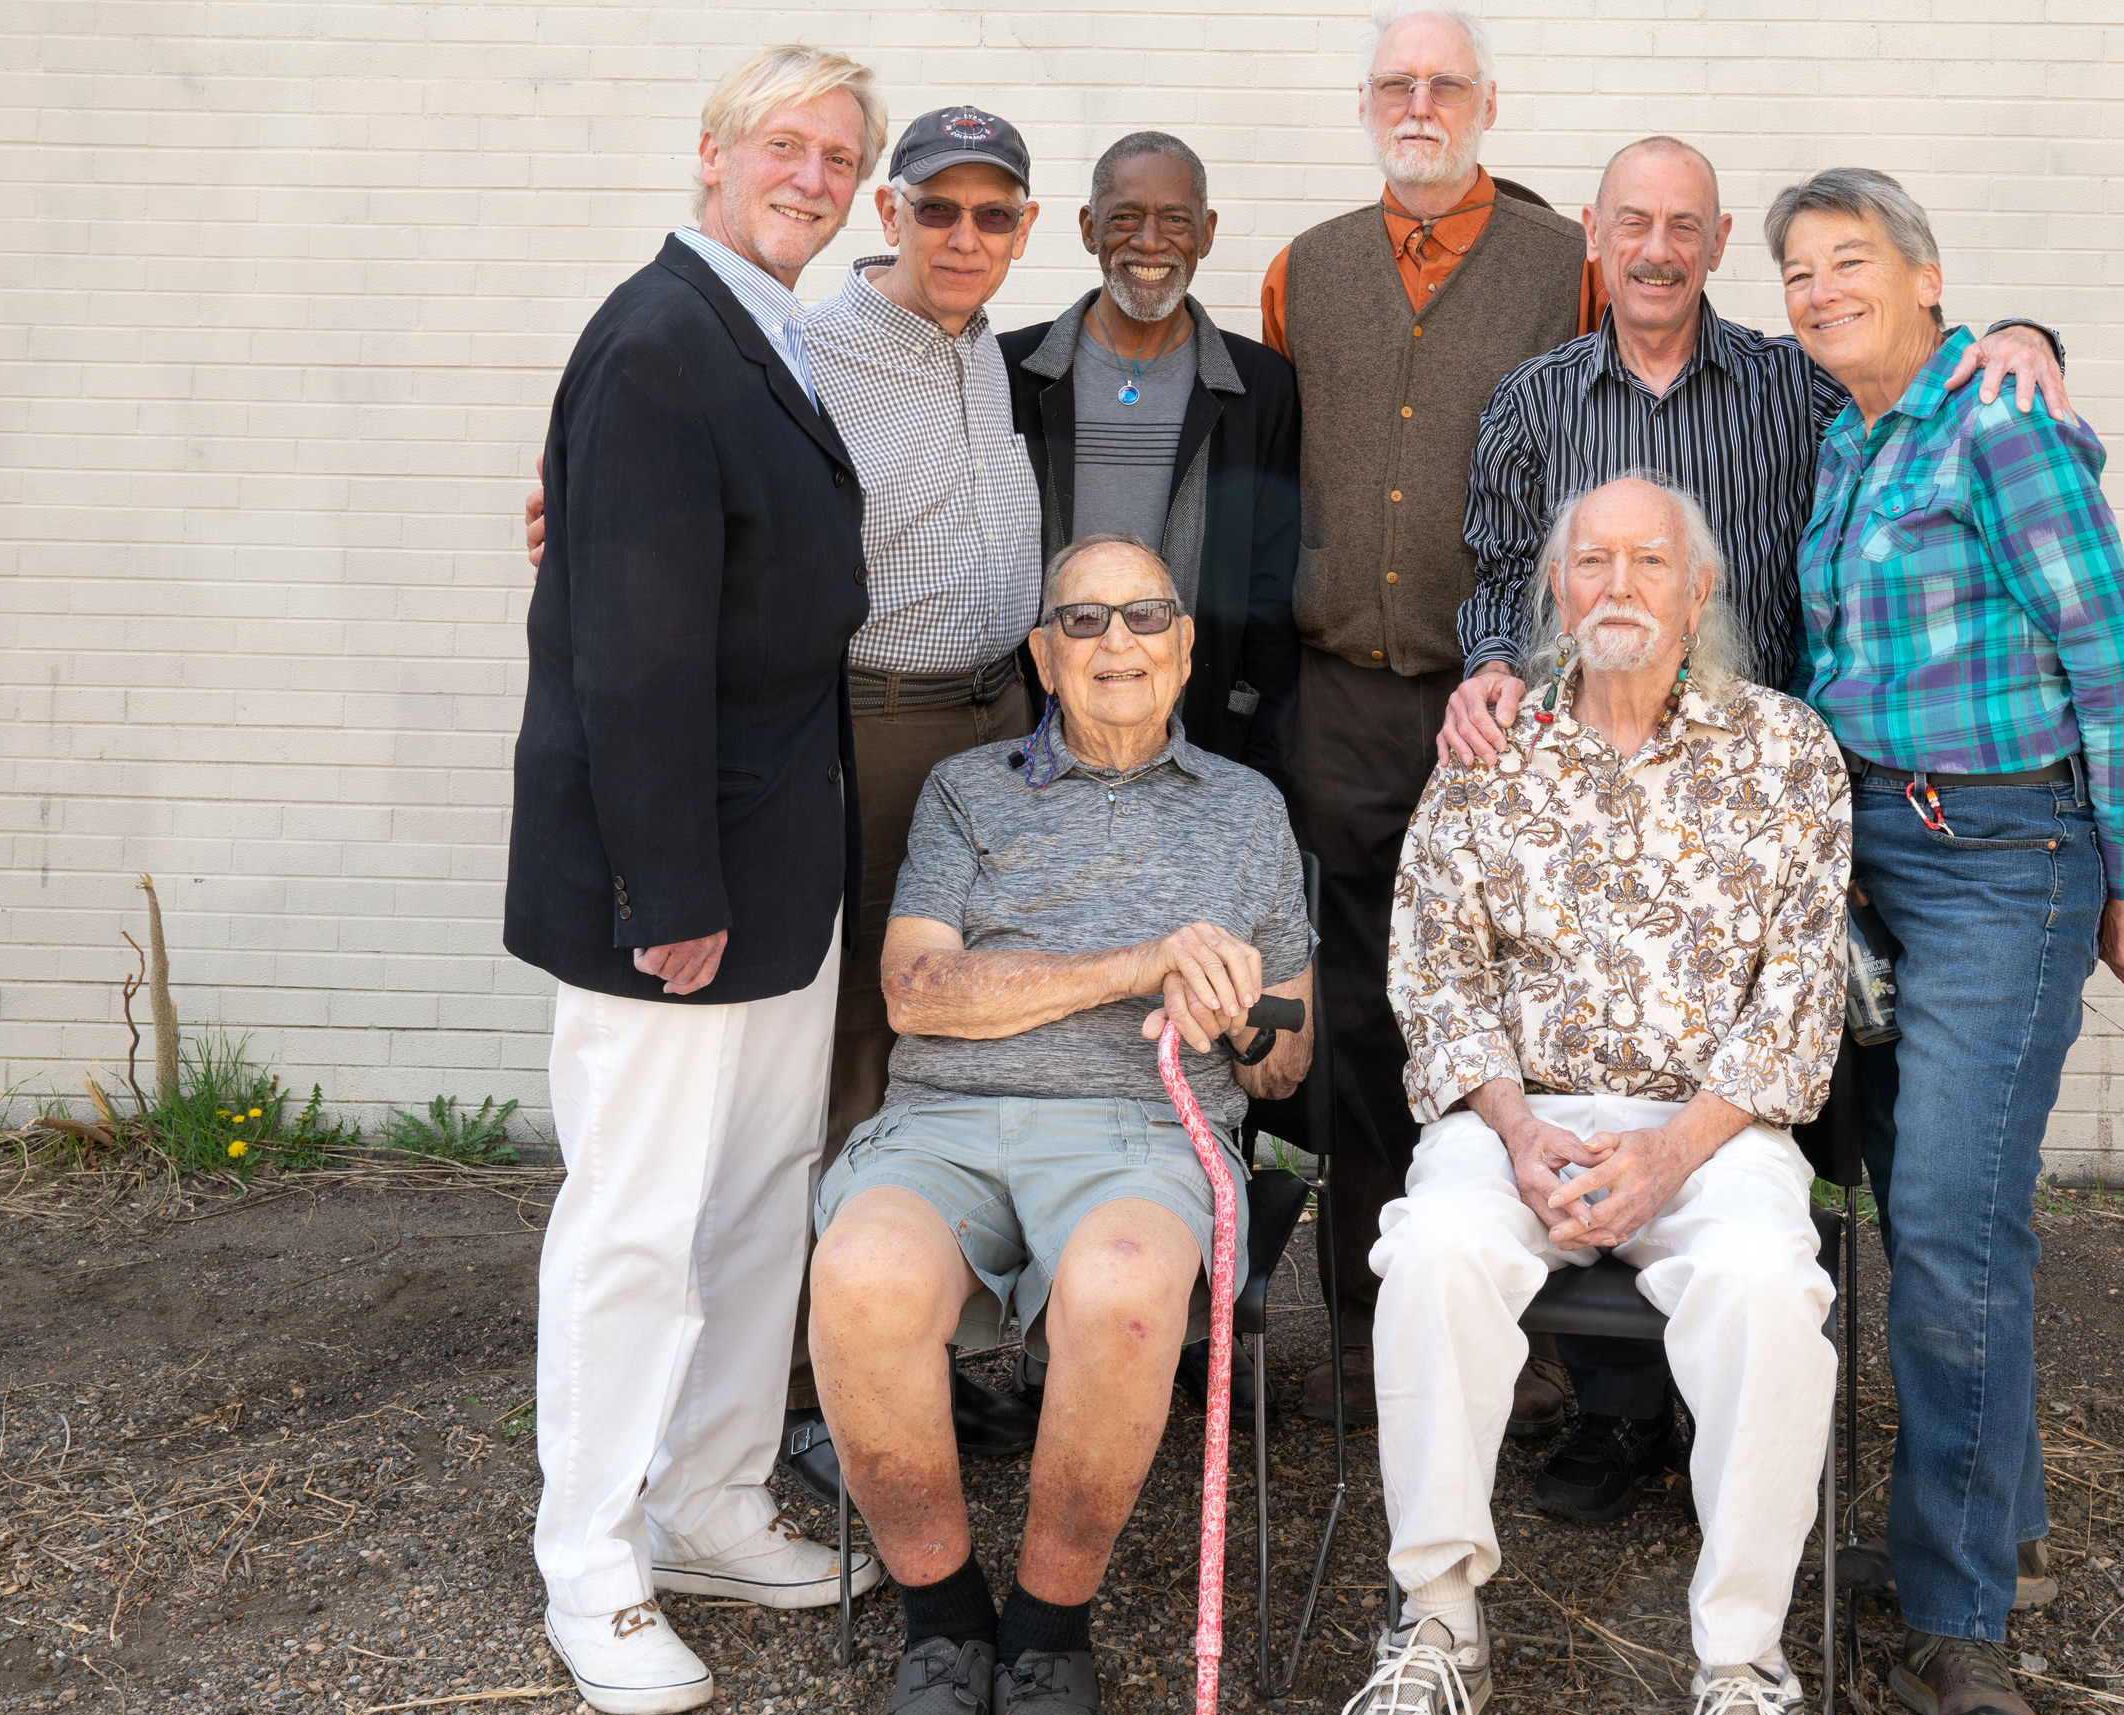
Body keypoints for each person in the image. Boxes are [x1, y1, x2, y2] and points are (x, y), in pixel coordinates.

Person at [1427, 136, 2070, 1529]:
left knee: (1863, 1139)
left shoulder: (1794, 383)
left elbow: (1916, 375)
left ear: (1717, 246)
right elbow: (1495, 570)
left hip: (1771, 806)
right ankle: (1617, 1408)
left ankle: (1789, 1410)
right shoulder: (1537, 398)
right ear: (1595, 235)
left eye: (1685, 226)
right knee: (1593, 1054)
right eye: (1633, 224)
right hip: (1589, 798)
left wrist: (2021, 337)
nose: (1657, 249)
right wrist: (1488, 666)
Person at [1319, 477, 1850, 1715]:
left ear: (1698, 590)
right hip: (1522, 1115)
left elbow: (1802, 995)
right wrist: (1511, 1122)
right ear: (1555, 591)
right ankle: (1436, 1630)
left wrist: (1669, 1151)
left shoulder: (1786, 749)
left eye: (1649, 562)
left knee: (1766, 1285)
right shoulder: (1488, 745)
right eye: (1592, 561)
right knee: (1432, 1250)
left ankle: (1743, 1670)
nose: (1619, 584)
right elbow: (1434, 970)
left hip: (1712, 1128)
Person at [522, 106, 1061, 1476]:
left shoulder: (993, 353)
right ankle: (817, 1388)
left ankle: (920, 1341)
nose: (963, 236)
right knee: (852, 1055)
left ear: (1023, 232)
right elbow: (676, 499)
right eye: (936, 208)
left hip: (998, 726)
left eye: (993, 215)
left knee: (957, 1042)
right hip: (873, 724)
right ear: (889, 213)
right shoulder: (802, 350)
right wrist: (573, 513)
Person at [1773, 168, 2124, 1715]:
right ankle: (2000, 1522)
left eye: (1850, 260)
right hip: (1873, 849)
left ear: (1929, 275)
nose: (1821, 290)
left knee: (1947, 1219)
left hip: (2003, 857)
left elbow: (2122, 662)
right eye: (1800, 271)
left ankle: (1961, 1624)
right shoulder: (1851, 440)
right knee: (1938, 1209)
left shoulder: (2003, 423)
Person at [809, 533, 1313, 1715]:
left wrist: (1245, 1021)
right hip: (946, 1126)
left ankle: (1044, 1631)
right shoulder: (966, 791)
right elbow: (917, 993)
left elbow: (1287, 1064)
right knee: (859, 1275)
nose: (1115, 642)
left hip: (1144, 1133)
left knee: (1128, 1288)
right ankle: (943, 1624)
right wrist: (1137, 964)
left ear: (1185, 648)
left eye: (1145, 616)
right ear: (1043, 657)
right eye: (1082, 621)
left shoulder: (1248, 809)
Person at [504, 44, 886, 1715]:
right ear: (714, 153)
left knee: (750, 1200)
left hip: (779, 865)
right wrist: (668, 891)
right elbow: (633, 649)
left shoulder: (763, 331)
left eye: (839, 158)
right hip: (677, 885)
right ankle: (592, 1559)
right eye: (786, 146)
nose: (813, 177)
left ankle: (712, 1501)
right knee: (637, 1222)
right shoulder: (661, 342)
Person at [1256, 0, 1600, 1433]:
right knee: (1353, 1013)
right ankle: (1362, 1322)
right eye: (1395, 83)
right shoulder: (1304, 269)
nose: (1419, 104)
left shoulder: (1571, 265)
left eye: (1445, 84)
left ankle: (1542, 1332)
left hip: (1508, 703)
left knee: (1522, 1004)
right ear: (1365, 105)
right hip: (1340, 691)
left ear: (1487, 105)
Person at [1002, 131, 1302, 797]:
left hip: (1201, 733)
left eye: (1175, 220)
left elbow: (1273, 588)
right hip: (1037, 733)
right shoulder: (1011, 373)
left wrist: (1263, 752)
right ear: (1088, 228)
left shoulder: (1260, 387)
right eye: (1125, 218)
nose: (1149, 242)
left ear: (1207, 232)